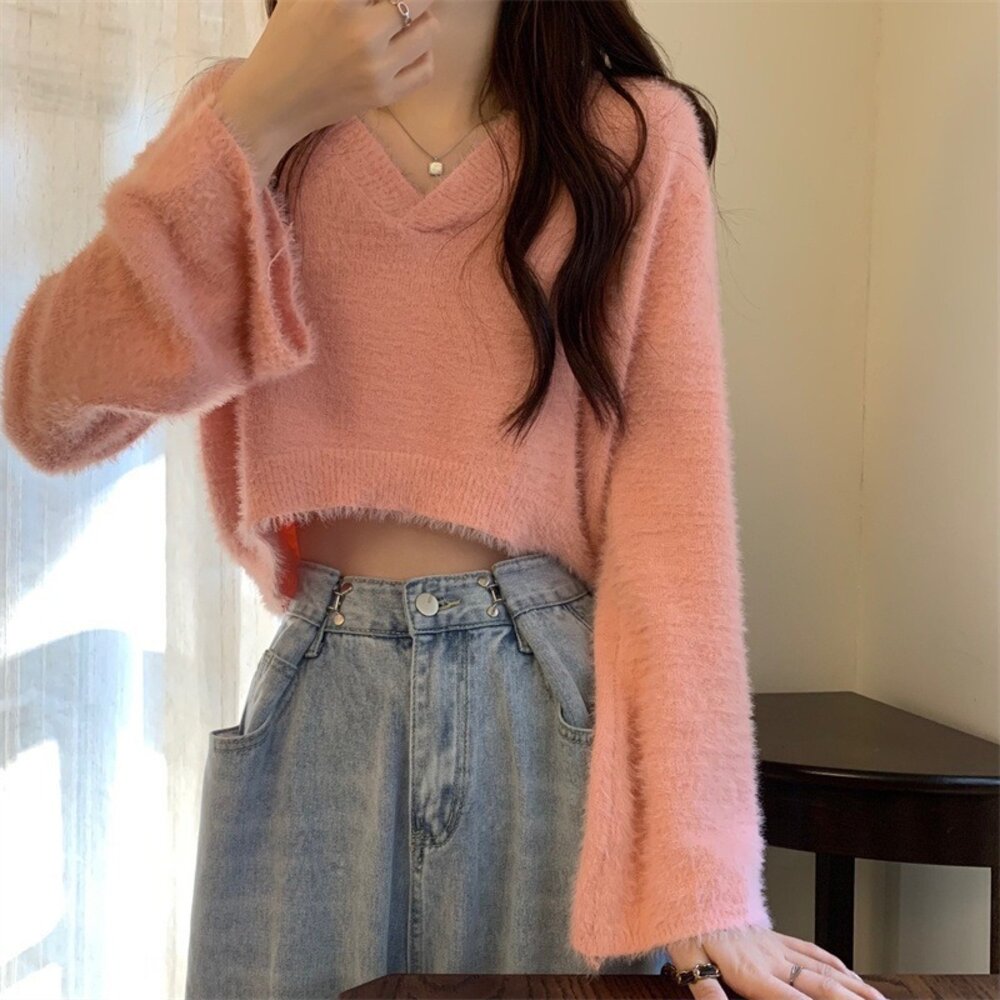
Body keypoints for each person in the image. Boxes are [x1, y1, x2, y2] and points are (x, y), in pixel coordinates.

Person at [1, 1, 886, 998]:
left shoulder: (632, 140)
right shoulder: (249, 122)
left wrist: (705, 883)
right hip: (323, 699)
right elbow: (46, 410)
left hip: (549, 711)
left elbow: (673, 532)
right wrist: (255, 118)